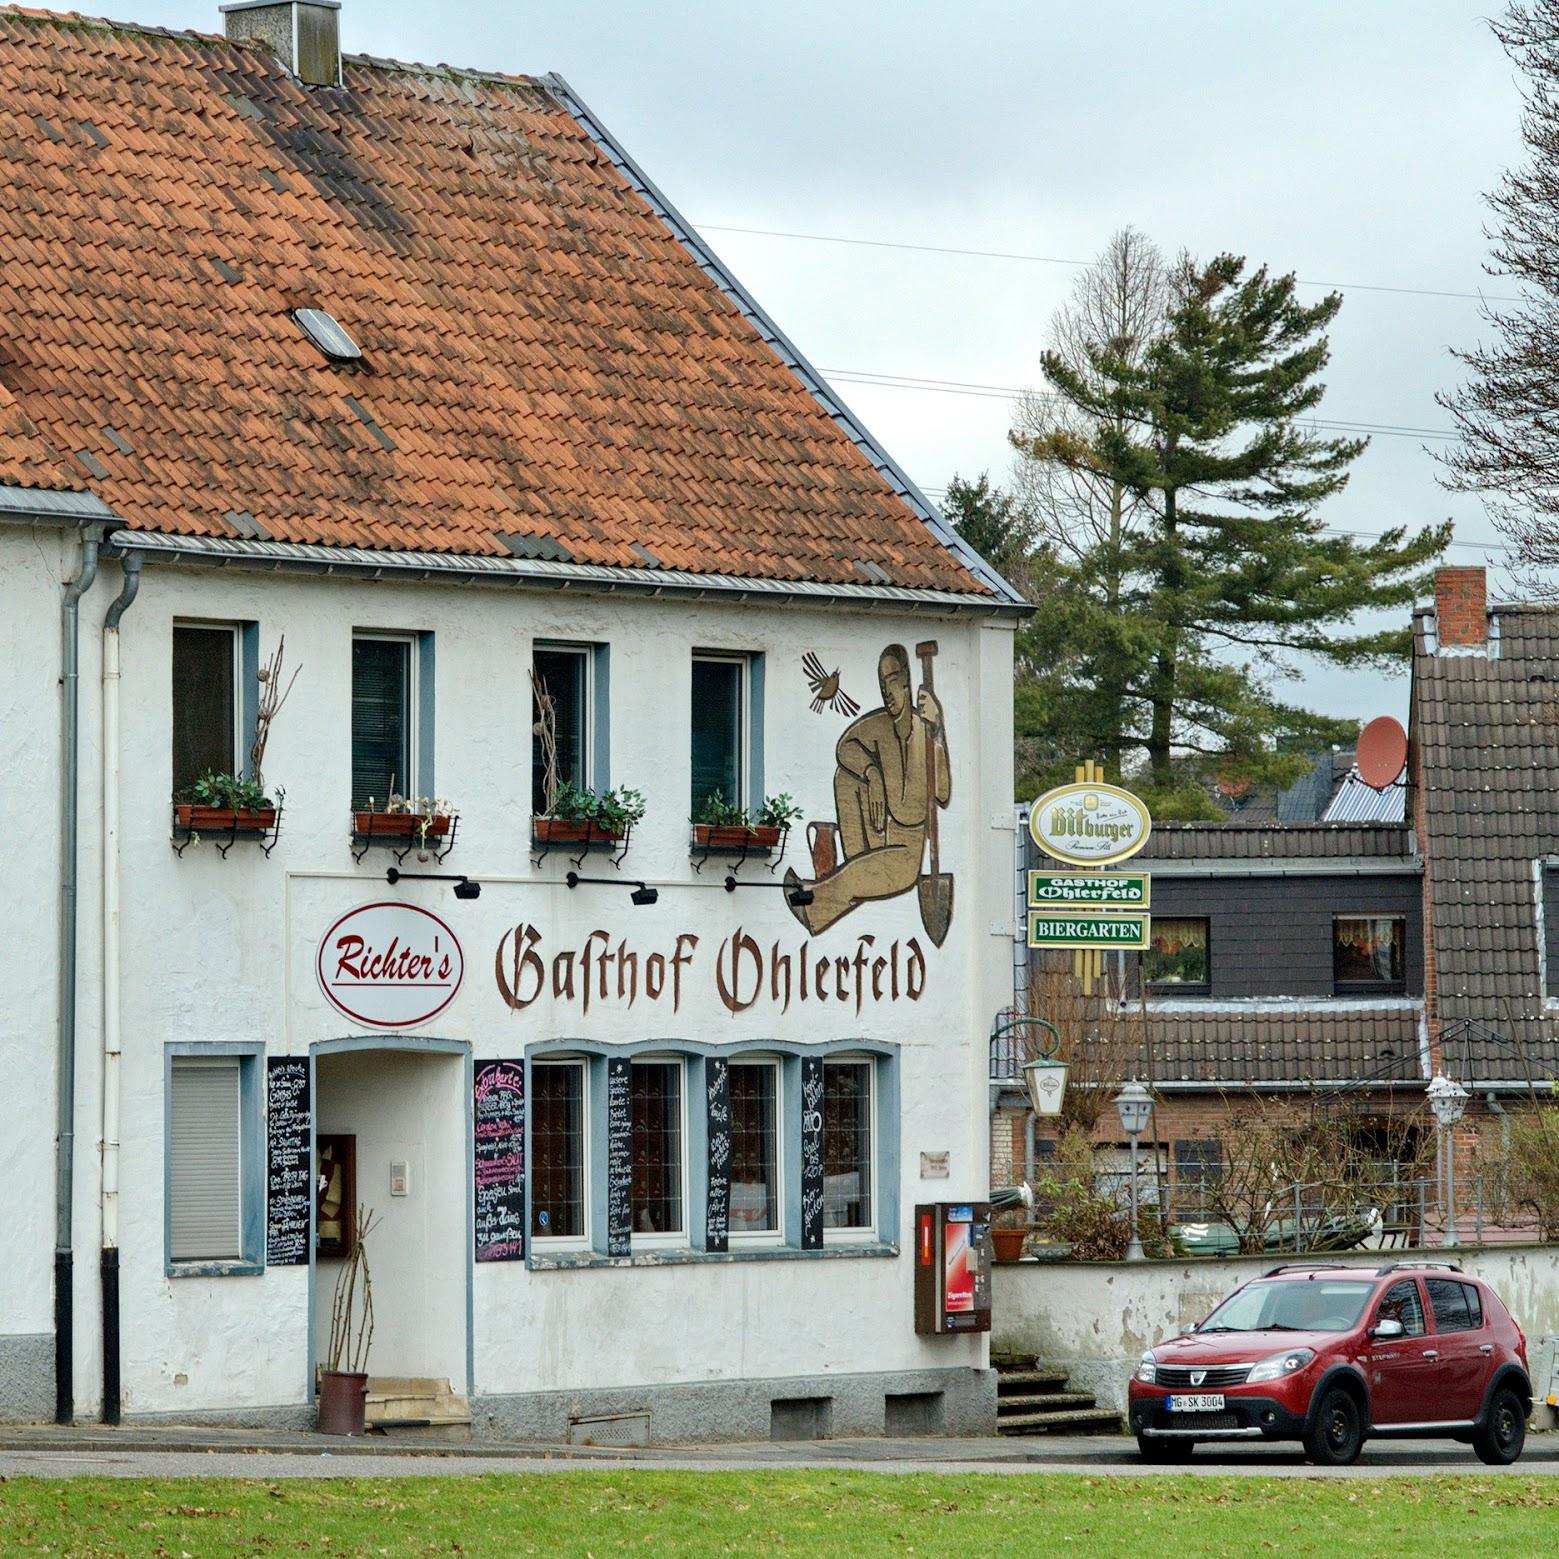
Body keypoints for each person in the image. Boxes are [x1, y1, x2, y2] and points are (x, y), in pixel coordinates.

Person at [786, 643, 949, 935]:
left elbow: (944, 793)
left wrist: (937, 729)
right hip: (873, 837)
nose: (887, 691)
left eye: (893, 681)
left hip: (904, 854)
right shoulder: (878, 726)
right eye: (882, 683)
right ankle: (847, 874)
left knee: (867, 872)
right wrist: (872, 773)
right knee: (846, 776)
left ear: (907, 682)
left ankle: (813, 904)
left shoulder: (925, 734)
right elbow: (844, 747)